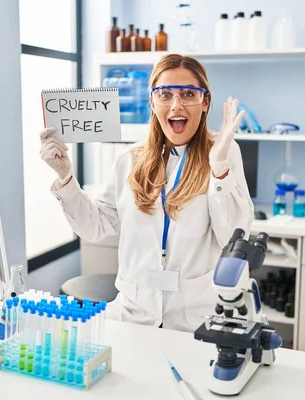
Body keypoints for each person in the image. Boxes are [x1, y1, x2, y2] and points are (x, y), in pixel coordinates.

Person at [39, 54, 253, 332]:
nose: (176, 104)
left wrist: (219, 166)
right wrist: (66, 177)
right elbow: (95, 227)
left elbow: (234, 237)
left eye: (188, 93)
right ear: (152, 102)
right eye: (165, 94)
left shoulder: (222, 153)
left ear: (205, 102)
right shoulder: (129, 159)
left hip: (193, 322)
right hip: (133, 314)